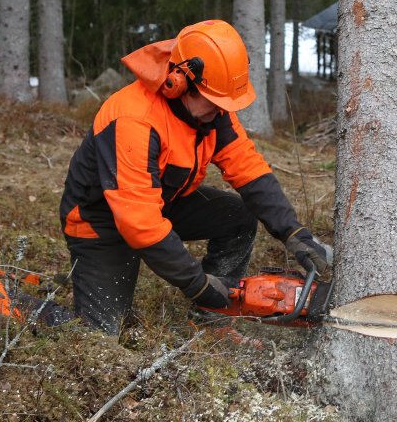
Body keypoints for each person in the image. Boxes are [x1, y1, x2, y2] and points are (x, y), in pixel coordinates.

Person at [59, 19, 330, 334]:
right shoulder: (135, 120)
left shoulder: (212, 114)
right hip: (100, 221)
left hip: (160, 201)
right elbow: (139, 224)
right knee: (100, 336)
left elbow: (247, 167)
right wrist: (199, 286)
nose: (221, 111)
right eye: (214, 102)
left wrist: (292, 232)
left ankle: (212, 320)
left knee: (239, 215)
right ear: (180, 82)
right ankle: (6, 301)